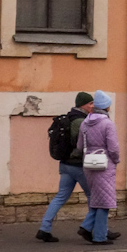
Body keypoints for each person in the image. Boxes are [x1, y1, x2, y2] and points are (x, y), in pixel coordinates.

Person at [35, 92, 94, 243]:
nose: (92, 106)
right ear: (82, 105)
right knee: (94, 197)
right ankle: (97, 229)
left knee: (60, 197)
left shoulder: (69, 117)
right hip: (78, 165)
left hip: (65, 165)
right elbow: (82, 144)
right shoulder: (80, 121)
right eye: (90, 104)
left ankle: (44, 228)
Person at [78, 90, 121, 245]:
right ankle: (99, 237)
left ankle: (86, 226)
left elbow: (79, 145)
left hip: (89, 164)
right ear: (106, 107)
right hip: (104, 165)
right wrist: (116, 160)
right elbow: (114, 148)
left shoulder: (85, 123)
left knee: (97, 199)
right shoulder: (107, 123)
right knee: (105, 202)